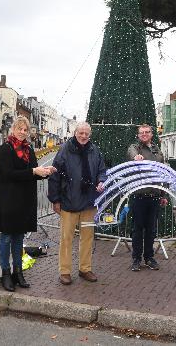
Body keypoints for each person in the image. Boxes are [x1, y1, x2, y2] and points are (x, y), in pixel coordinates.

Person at [0, 116, 55, 291]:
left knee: (19, 237)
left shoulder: (28, 149)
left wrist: (45, 172)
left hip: (24, 200)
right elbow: (8, 174)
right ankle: (5, 274)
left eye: (25, 130)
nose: (22, 132)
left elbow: (33, 173)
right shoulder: (5, 149)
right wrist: (32, 171)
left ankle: (18, 272)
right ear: (13, 129)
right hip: (9, 200)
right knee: (6, 237)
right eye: (19, 129)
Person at [48, 122, 107, 285]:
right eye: (81, 133)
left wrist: (102, 180)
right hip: (69, 200)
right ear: (75, 133)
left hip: (89, 202)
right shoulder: (65, 150)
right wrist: (55, 200)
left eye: (86, 133)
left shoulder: (95, 150)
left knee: (87, 237)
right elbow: (55, 176)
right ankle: (65, 272)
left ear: (90, 135)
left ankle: (85, 269)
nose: (83, 136)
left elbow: (102, 170)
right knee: (66, 238)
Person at [127, 124, 167, 271]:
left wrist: (163, 194)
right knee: (137, 229)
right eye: (141, 133)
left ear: (151, 134)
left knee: (151, 229)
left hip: (155, 196)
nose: (144, 134)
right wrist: (135, 157)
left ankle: (149, 257)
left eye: (147, 132)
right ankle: (136, 259)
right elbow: (131, 153)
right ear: (138, 135)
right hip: (139, 196)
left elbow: (162, 174)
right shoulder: (135, 147)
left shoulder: (158, 151)